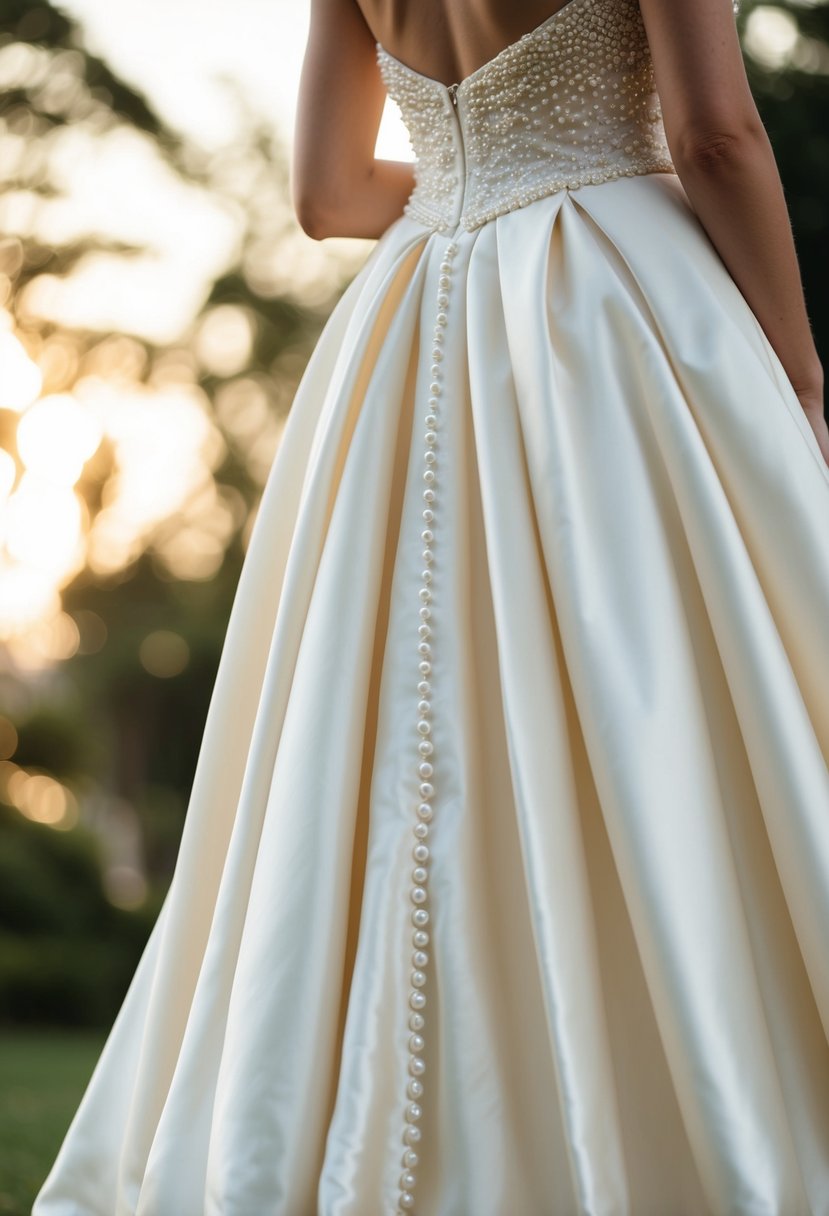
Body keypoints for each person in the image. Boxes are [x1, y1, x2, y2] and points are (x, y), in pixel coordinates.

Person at [33, 0, 829, 1213]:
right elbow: (717, 134)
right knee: (668, 700)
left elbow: (331, 193)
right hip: (609, 316)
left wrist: (482, 171)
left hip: (417, 316)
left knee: (377, 747)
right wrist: (802, 378)